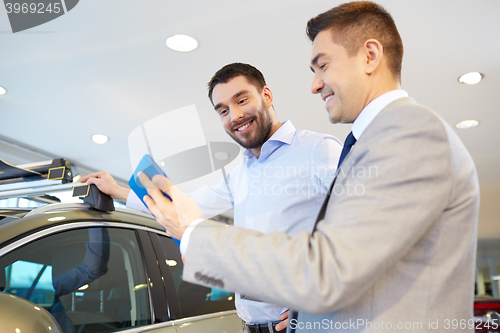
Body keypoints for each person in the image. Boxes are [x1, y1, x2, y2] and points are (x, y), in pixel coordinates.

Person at [140, 2, 480, 333]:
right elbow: (352, 260)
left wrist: (196, 237)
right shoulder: (374, 140)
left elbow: (328, 272)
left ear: (370, 55)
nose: (315, 85)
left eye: (323, 66)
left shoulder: (409, 133)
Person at [80, 63, 343, 332]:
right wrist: (119, 191)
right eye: (224, 111)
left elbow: (371, 234)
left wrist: (331, 308)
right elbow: (182, 209)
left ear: (267, 95)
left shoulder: (317, 150)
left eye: (242, 100)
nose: (236, 115)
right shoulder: (239, 173)